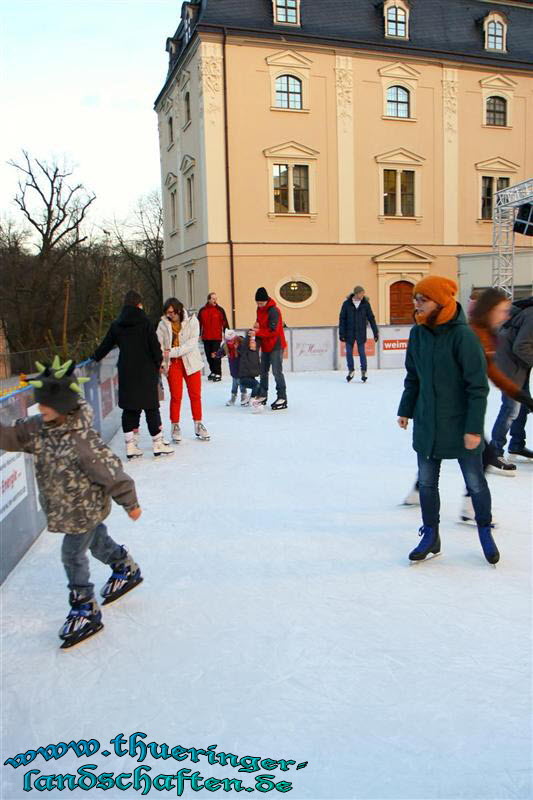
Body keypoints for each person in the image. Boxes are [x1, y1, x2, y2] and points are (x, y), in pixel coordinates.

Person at [0, 357, 143, 648]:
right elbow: (12, 435)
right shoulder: (40, 427)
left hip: (84, 508)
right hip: (65, 506)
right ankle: (124, 566)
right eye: (39, 405)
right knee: (98, 542)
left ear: (63, 406)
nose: (40, 410)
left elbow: (111, 471)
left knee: (72, 554)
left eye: (46, 406)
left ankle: (84, 605)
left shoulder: (81, 439)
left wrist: (129, 502)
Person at [397, 276, 499, 565]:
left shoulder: (463, 337)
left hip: (460, 424)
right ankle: (431, 535)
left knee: (475, 483)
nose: (416, 303)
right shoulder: (418, 334)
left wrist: (473, 429)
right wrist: (405, 409)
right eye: (416, 298)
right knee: (427, 484)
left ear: (440, 302)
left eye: (422, 299)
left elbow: (477, 387)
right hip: (428, 423)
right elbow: (413, 377)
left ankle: (484, 532)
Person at [92, 290, 173, 458]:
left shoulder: (117, 324)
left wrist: (93, 358)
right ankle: (157, 444)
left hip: (127, 371)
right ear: (139, 304)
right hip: (146, 371)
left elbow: (105, 345)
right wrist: (159, 363)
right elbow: (154, 347)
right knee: (151, 407)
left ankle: (130, 446)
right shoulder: (146, 323)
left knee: (130, 408)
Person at [488, 296, 533, 471]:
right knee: (511, 409)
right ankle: (494, 452)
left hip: (513, 365)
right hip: (510, 368)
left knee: (522, 406)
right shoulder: (532, 315)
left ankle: (516, 445)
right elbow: (521, 346)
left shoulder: (527, 310)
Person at [156, 297, 210, 441]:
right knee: (176, 395)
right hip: (173, 364)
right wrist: (164, 358)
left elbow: (191, 344)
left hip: (191, 361)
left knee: (195, 394)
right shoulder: (162, 325)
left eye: (172, 312)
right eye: (167, 313)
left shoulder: (192, 321)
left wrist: (171, 351)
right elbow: (159, 346)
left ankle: (198, 423)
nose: (170, 315)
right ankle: (175, 425)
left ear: (179, 310)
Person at [252, 287, 288, 410]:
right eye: (257, 303)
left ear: (266, 300)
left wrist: (257, 332)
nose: (259, 305)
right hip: (265, 344)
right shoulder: (259, 309)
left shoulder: (274, 311)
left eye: (261, 303)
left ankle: (282, 396)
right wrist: (256, 327)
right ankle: (263, 394)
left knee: (277, 371)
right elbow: (259, 324)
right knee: (263, 371)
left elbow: (273, 331)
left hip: (276, 344)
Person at [339, 285, 379, 383]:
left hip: (361, 332)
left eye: (363, 293)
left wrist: (375, 332)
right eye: (361, 293)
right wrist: (341, 333)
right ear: (356, 293)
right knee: (349, 353)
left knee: (362, 352)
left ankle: (364, 371)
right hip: (349, 332)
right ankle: (351, 370)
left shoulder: (365, 304)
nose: (362, 295)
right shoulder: (347, 304)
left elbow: (371, 318)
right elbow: (342, 319)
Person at [198, 292, 229, 382]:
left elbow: (225, 323)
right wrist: (198, 334)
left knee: (215, 355)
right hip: (206, 337)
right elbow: (198, 324)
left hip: (216, 337)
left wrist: (227, 334)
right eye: (213, 299)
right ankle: (213, 371)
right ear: (209, 300)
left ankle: (218, 373)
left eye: (216, 298)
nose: (215, 300)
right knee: (208, 356)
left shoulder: (220, 310)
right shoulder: (202, 311)